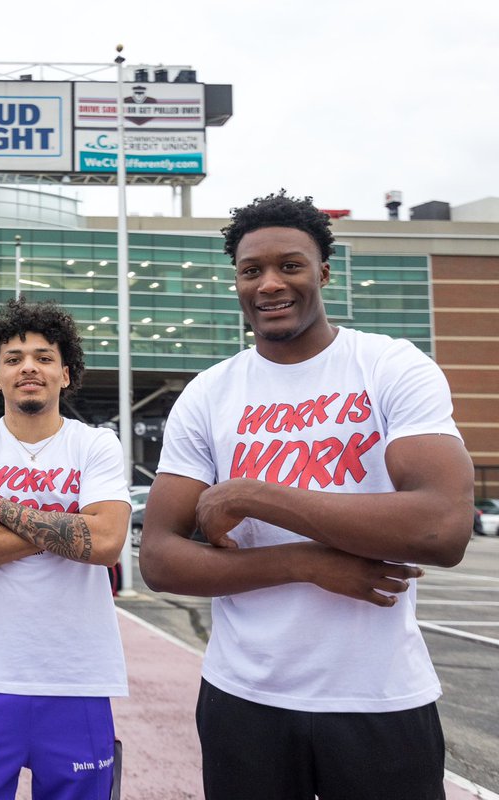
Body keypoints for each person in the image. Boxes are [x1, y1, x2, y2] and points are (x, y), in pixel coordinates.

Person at [140, 191, 475, 800]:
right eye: (251, 270)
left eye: (289, 265)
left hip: (378, 698)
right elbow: (159, 560)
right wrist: (304, 565)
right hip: (244, 699)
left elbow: (443, 527)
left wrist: (254, 495)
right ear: (236, 281)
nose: (270, 284)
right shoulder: (209, 393)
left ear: (323, 269)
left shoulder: (391, 367)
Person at [0, 297, 131, 800]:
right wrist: (68, 530)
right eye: (14, 358)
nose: (29, 367)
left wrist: (2, 511)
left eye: (44, 358)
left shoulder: (96, 445)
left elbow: (106, 541)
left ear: (66, 374)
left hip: (78, 681)